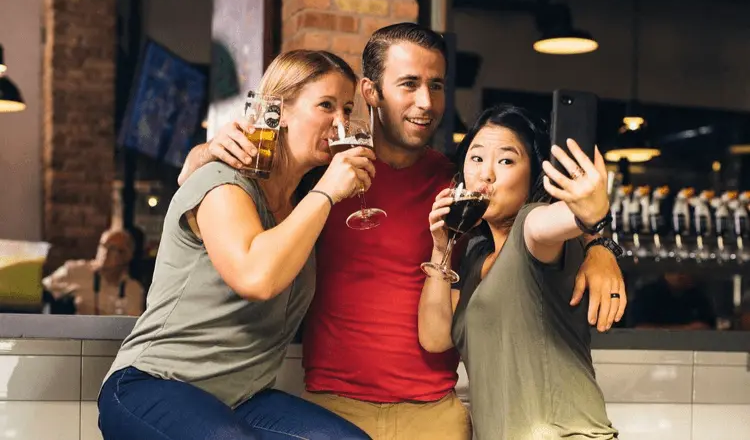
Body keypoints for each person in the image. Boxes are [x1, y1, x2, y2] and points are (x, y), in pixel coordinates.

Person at [178, 23, 626, 440]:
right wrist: (204, 152)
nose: (426, 102)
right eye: (409, 84)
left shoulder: (461, 184)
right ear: (371, 91)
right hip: (333, 411)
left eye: (436, 85)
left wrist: (599, 244)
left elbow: (537, 223)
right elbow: (223, 196)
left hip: (435, 415)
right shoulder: (323, 175)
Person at [98, 50, 374, 440]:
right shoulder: (224, 181)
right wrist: (328, 190)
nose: (341, 123)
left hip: (242, 399)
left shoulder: (301, 204)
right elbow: (255, 277)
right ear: (278, 110)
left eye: (348, 109)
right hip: (151, 385)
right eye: (326, 105)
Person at [419, 104, 619, 439]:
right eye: (476, 158)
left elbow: (553, 223)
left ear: (534, 176)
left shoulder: (530, 226)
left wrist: (590, 214)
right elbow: (435, 338)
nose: (486, 174)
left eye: (506, 161)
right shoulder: (474, 256)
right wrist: (442, 247)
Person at [42, 228, 144, 316]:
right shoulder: (75, 270)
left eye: (112, 248)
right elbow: (42, 289)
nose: (105, 252)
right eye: (103, 245)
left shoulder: (133, 289)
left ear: (127, 255)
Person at [630, 272, 716, 330]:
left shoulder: (698, 297)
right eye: (675, 270)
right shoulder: (647, 294)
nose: (680, 275)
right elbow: (640, 329)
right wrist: (686, 329)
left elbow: (707, 328)